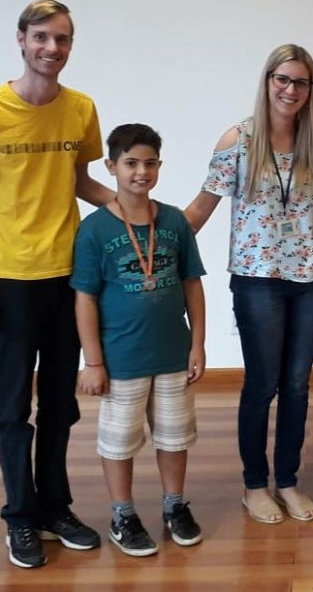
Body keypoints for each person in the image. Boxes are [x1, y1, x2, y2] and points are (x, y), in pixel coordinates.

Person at [0, 0, 110, 568]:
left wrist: (130, 204)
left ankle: (54, 508)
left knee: (61, 405)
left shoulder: (81, 108)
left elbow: (81, 182)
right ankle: (20, 517)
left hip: (69, 279)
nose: (52, 49)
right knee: (13, 405)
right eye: (41, 37)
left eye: (62, 39)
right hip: (11, 279)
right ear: (21, 40)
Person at [186, 44, 313, 524]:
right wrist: (152, 245)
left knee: (297, 384)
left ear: (311, 90)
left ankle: (287, 481)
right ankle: (255, 485)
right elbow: (201, 208)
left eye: (301, 82)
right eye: (283, 79)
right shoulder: (238, 140)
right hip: (257, 282)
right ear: (267, 80)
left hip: (308, 279)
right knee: (262, 384)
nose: (291, 90)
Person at [72, 124, 207, 556]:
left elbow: (192, 285)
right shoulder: (94, 230)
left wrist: (198, 345)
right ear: (111, 167)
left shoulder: (173, 222)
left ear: (160, 168)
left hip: (172, 354)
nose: (141, 171)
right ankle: (122, 513)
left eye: (150, 163)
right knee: (120, 441)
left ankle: (174, 505)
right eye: (131, 163)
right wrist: (93, 362)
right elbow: (85, 299)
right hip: (121, 359)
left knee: (174, 436)